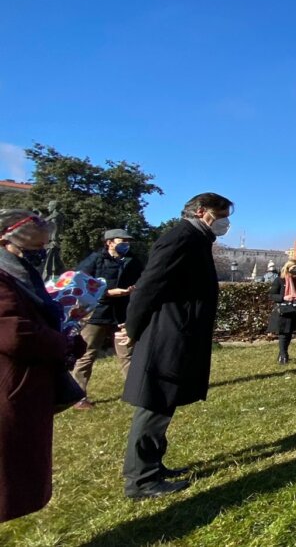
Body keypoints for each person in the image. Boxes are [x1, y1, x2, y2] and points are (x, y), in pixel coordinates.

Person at [119, 192, 233, 500]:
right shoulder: (181, 237)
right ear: (200, 211)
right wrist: (132, 328)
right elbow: (149, 285)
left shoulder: (196, 239)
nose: (225, 222)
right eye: (221, 215)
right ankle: (141, 479)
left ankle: (153, 465)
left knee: (163, 403)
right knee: (154, 403)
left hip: (178, 332)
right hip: (166, 334)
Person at [0, 210, 76, 522]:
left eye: (41, 245)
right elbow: (15, 332)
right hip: (9, 382)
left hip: (28, 381)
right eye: (30, 246)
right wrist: (61, 344)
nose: (38, 252)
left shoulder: (23, 274)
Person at [70, 228, 144, 409]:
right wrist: (108, 293)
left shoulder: (133, 261)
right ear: (110, 242)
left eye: (128, 241)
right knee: (86, 354)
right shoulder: (95, 260)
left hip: (123, 314)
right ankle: (78, 398)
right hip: (97, 314)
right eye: (122, 241)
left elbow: (143, 280)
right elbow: (80, 284)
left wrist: (134, 290)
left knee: (128, 355)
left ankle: (136, 394)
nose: (126, 244)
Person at [267, 260, 296, 364]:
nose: (295, 270)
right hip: (284, 310)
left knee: (289, 333)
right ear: (288, 268)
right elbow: (272, 295)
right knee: (283, 333)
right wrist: (284, 297)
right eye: (293, 267)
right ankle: (284, 355)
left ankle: (282, 354)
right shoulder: (280, 280)